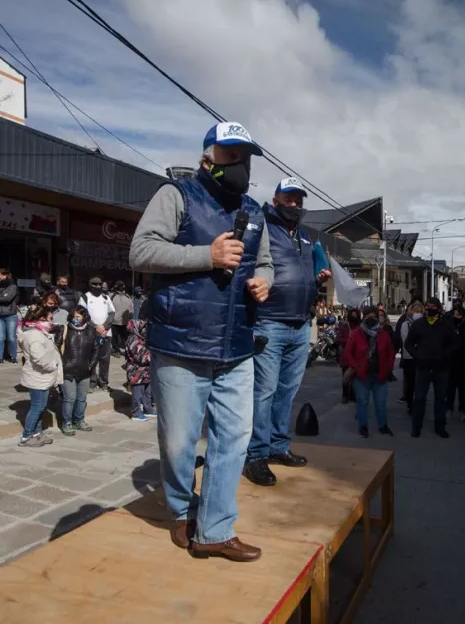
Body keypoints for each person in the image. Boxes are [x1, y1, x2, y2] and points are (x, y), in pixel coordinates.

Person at [128, 121, 272, 561]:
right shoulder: (176, 195)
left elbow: (263, 261)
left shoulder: (255, 211)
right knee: (178, 442)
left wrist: (264, 281)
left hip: (237, 347)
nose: (240, 166)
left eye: (245, 158)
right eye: (232, 156)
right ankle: (178, 510)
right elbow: (141, 251)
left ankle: (214, 530)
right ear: (208, 157)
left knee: (234, 439)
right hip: (181, 345)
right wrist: (205, 255)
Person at [244, 177, 331, 487]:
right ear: (276, 199)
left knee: (287, 392)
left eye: (299, 200)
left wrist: (317, 281)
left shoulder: (306, 238)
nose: (294, 204)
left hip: (300, 325)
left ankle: (278, 446)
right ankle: (255, 454)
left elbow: (304, 277)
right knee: (264, 391)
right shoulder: (262, 227)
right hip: (269, 322)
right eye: (289, 198)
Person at [405, 297, 457, 438]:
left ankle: (440, 427)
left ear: (439, 308)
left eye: (433, 306)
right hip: (423, 367)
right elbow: (409, 343)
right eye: (428, 306)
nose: (430, 309)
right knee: (420, 398)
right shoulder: (418, 324)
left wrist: (445, 355)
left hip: (441, 367)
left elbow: (454, 343)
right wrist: (417, 355)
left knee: (440, 398)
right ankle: (416, 427)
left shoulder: (446, 325)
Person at [343, 305, 396, 437]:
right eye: (368, 316)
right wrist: (356, 367)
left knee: (381, 403)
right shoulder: (356, 334)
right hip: (362, 377)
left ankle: (383, 426)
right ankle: (363, 426)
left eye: (374, 316)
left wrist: (388, 369)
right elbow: (348, 353)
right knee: (362, 402)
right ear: (363, 318)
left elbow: (391, 354)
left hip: (380, 376)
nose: (371, 319)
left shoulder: (383, 335)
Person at [17, 304, 63, 447]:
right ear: (41, 318)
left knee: (41, 407)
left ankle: (37, 433)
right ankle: (26, 436)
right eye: (50, 318)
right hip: (38, 376)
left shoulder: (39, 332)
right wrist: (52, 366)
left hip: (42, 377)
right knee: (37, 407)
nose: (52, 321)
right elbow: (39, 358)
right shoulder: (35, 335)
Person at [58, 305, 99, 436]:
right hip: (68, 370)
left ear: (84, 317)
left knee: (81, 398)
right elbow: (57, 347)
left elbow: (96, 350)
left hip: (84, 370)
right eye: (74, 316)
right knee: (70, 398)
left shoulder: (91, 330)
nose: (76, 319)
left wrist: (90, 365)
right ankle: (67, 422)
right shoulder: (65, 329)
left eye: (78, 316)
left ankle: (79, 420)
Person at [79, 276, 116, 391]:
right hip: (90, 333)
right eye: (95, 284)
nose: (98, 286)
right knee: (91, 359)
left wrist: (104, 327)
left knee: (105, 359)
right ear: (90, 285)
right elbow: (82, 314)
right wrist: (95, 327)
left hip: (106, 333)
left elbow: (112, 313)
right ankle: (92, 382)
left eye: (100, 284)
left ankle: (103, 382)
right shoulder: (84, 297)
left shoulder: (106, 297)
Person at [124, 301, 156, 421]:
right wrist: (153, 356)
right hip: (136, 372)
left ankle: (148, 409)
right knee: (138, 394)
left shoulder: (144, 338)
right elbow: (141, 357)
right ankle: (136, 413)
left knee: (148, 392)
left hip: (147, 371)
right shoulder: (133, 339)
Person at [448, 305, 465, 421]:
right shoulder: (449, 326)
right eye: (455, 314)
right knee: (450, 388)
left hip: (463, 363)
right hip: (451, 362)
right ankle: (449, 408)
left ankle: (462, 410)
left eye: (458, 314)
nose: (456, 316)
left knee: (462, 388)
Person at [0, 267, 20, 365]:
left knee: (11, 337)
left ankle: (13, 357)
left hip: (10, 315)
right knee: (0, 337)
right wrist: (1, 298)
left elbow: (8, 299)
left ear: (5, 275)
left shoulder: (12, 286)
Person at [397, 302, 423, 407]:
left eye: (420, 312)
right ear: (411, 312)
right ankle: (410, 403)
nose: (418, 313)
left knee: (420, 381)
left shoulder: (425, 324)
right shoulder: (405, 324)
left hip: (421, 357)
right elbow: (406, 341)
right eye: (416, 311)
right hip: (409, 357)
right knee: (410, 381)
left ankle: (419, 401)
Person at [338, 308, 362, 404]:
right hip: (345, 355)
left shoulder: (359, 328)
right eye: (352, 315)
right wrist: (349, 341)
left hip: (355, 356)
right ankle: (345, 395)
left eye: (355, 315)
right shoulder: (344, 326)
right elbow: (339, 339)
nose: (354, 317)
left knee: (354, 376)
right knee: (345, 377)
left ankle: (353, 395)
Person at [110, 281, 133, 357]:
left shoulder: (127, 296)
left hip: (125, 322)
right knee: (115, 337)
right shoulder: (112, 296)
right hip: (114, 322)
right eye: (119, 286)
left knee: (126, 338)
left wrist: (129, 315)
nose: (121, 287)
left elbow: (131, 308)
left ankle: (128, 351)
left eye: (122, 286)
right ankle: (116, 350)